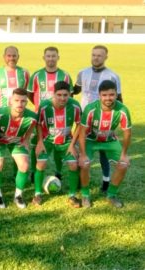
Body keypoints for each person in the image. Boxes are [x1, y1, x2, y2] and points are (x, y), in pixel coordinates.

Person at [73, 45, 122, 193]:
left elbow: (119, 100)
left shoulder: (113, 76)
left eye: (100, 55)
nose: (96, 57)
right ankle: (80, 181)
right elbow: (76, 90)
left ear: (106, 57)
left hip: (102, 119)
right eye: (94, 55)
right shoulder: (83, 72)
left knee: (103, 152)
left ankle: (106, 181)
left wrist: (114, 124)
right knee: (80, 150)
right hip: (83, 118)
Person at [78, 80, 131, 208]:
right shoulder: (91, 109)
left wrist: (124, 154)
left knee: (124, 164)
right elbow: (82, 132)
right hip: (91, 140)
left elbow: (127, 133)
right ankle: (85, 195)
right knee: (84, 164)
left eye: (111, 95)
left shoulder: (122, 110)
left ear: (116, 94)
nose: (108, 98)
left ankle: (111, 195)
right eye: (105, 95)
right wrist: (83, 154)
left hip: (110, 140)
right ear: (99, 95)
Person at [27, 46, 74, 182]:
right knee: (37, 145)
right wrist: (40, 106)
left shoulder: (65, 76)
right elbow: (30, 94)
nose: (51, 58)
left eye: (54, 56)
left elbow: (69, 95)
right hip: (41, 117)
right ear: (44, 58)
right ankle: (34, 170)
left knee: (59, 146)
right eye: (48, 56)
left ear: (58, 57)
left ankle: (58, 171)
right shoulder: (36, 75)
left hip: (60, 116)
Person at [34, 81, 81, 207]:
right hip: (48, 140)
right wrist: (40, 142)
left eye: (65, 95)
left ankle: (72, 195)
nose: (62, 98)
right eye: (59, 95)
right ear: (53, 94)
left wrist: (72, 144)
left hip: (66, 141)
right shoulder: (44, 106)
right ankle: (37, 193)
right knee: (41, 163)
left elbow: (79, 125)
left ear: (70, 95)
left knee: (73, 165)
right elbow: (38, 123)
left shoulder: (75, 106)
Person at [0, 88, 37, 209]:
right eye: (16, 100)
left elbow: (33, 125)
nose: (19, 104)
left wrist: (27, 139)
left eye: (23, 101)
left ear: (27, 102)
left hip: (17, 142)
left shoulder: (31, 117)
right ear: (11, 101)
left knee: (24, 166)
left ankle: (18, 195)